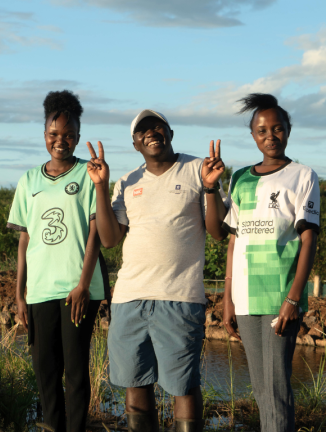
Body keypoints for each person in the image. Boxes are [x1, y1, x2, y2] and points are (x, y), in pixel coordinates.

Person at [85, 109, 228, 432]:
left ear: (170, 133)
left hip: (180, 298)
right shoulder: (127, 181)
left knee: (183, 386)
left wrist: (209, 187)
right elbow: (109, 239)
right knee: (135, 383)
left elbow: (218, 232)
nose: (151, 133)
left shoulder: (197, 169)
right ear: (135, 144)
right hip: (129, 299)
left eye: (158, 127)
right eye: (143, 131)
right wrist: (101, 187)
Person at [7, 90, 110, 432]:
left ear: (78, 137)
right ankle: (53, 427)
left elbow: (95, 232)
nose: (60, 141)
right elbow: (25, 240)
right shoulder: (29, 180)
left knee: (76, 370)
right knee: (45, 370)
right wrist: (19, 294)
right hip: (39, 290)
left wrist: (83, 284)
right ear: (44, 135)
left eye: (68, 135)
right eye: (54, 134)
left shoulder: (88, 174)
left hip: (78, 290)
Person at [222, 93, 319, 432]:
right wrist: (227, 299)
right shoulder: (239, 178)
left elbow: (309, 239)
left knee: (277, 388)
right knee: (262, 390)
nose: (270, 136)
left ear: (288, 131)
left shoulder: (303, 175)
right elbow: (233, 241)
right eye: (262, 131)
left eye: (277, 129)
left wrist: (293, 299)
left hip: (280, 297)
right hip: (246, 298)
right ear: (253, 136)